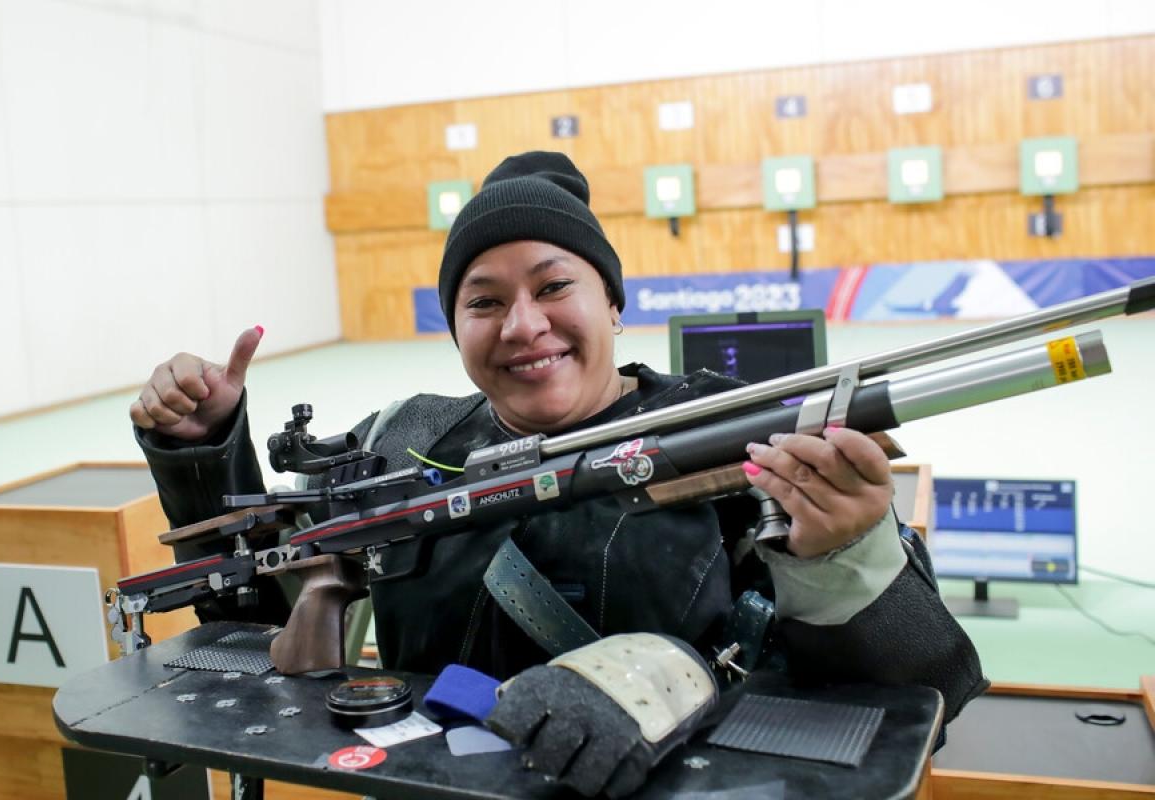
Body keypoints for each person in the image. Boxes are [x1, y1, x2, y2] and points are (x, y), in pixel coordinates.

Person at [131, 151, 987, 797]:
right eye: (484, 300)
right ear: (455, 326)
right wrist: (205, 451)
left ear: (613, 300)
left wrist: (847, 557)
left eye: (554, 286)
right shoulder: (402, 438)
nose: (523, 325)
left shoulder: (728, 434)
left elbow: (912, 703)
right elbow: (242, 623)